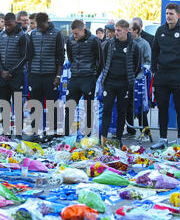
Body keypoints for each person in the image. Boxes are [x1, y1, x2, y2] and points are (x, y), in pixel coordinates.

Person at [150, 3, 180, 149]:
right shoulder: (160, 30)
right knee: (162, 107)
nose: (168, 16)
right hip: (162, 75)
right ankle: (163, 139)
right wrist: (153, 69)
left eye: (171, 14)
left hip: (177, 75)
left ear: (178, 15)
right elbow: (155, 51)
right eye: (167, 13)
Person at [100, 19, 141, 147]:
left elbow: (137, 66)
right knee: (107, 110)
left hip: (124, 84)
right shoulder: (109, 44)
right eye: (115, 30)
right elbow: (102, 61)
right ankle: (103, 139)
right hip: (110, 83)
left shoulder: (134, 46)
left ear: (126, 30)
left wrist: (129, 78)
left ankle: (118, 138)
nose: (115, 33)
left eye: (118, 30)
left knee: (121, 111)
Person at [28, 12, 65, 140]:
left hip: (51, 75)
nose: (40, 28)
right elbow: (30, 55)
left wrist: (58, 76)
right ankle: (35, 132)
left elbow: (61, 56)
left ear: (47, 22)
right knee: (35, 105)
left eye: (41, 26)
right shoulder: (33, 33)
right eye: (38, 26)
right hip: (35, 75)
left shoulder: (57, 33)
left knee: (51, 106)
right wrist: (30, 74)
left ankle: (51, 133)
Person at [64, 19, 103, 137]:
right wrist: (75, 69)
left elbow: (100, 61)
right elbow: (71, 58)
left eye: (77, 33)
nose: (74, 36)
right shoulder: (70, 40)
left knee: (88, 108)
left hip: (88, 78)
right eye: (73, 33)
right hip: (75, 78)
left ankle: (88, 134)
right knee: (69, 106)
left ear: (83, 30)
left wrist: (94, 76)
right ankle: (66, 134)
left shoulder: (94, 40)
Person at [0, 12, 29, 138]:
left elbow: (25, 56)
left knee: (18, 104)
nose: (7, 27)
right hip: (3, 76)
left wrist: (11, 71)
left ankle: (19, 133)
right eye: (5, 25)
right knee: (4, 104)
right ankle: (5, 132)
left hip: (17, 76)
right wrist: (2, 70)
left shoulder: (22, 36)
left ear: (15, 22)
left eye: (9, 25)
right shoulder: (0, 36)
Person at [125, 21, 152, 139]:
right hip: (127, 79)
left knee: (141, 107)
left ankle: (145, 132)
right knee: (127, 105)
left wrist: (141, 70)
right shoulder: (126, 43)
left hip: (139, 80)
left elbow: (148, 61)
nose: (127, 31)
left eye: (129, 29)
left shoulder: (144, 44)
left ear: (136, 31)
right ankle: (130, 131)